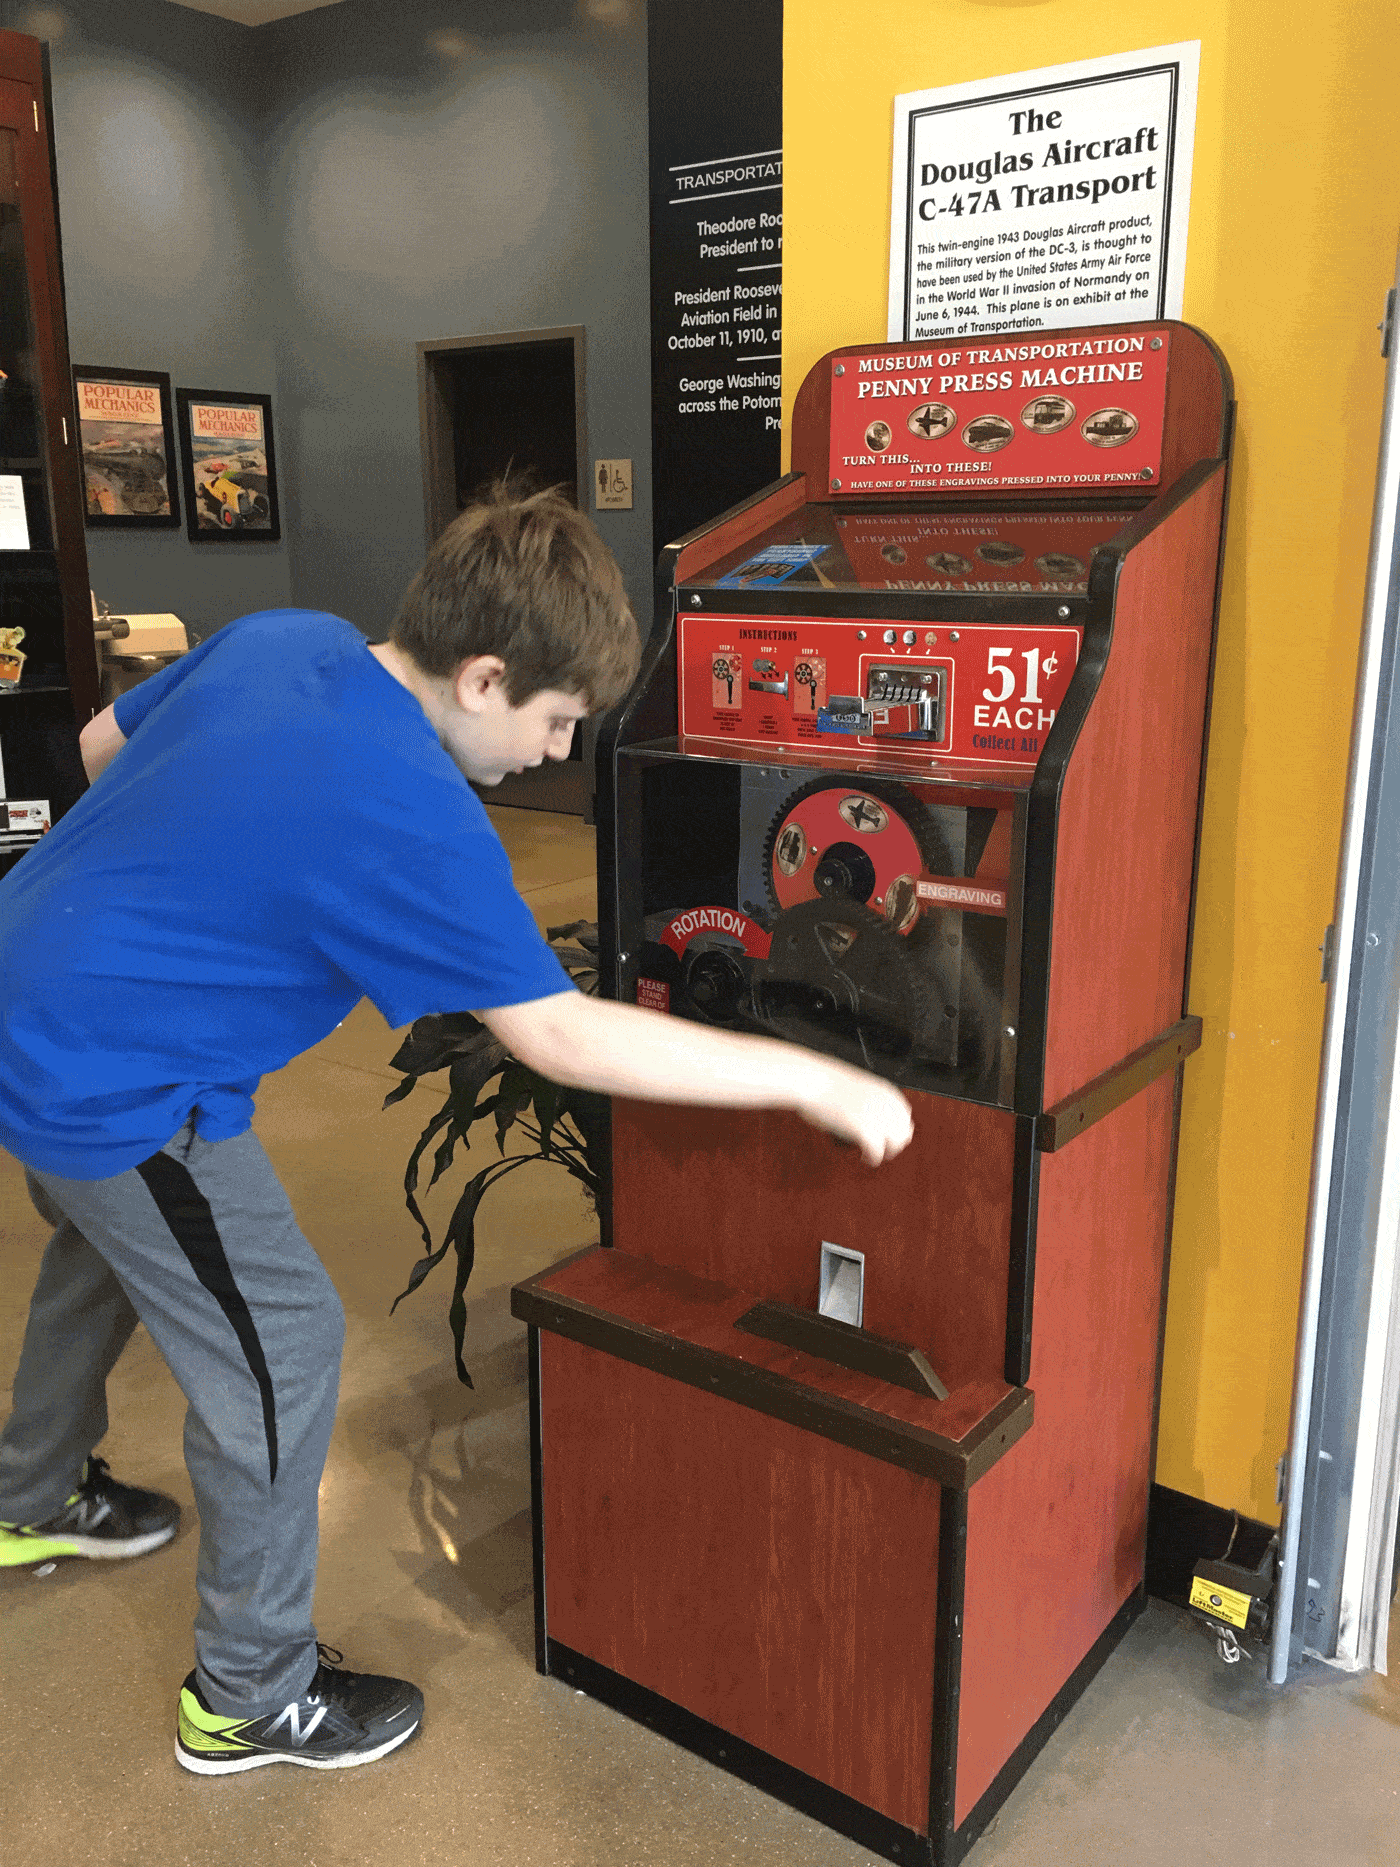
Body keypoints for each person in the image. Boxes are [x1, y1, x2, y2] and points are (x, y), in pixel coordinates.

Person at [0, 484, 912, 1777]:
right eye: (556, 720)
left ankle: (29, 1491)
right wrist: (806, 1083)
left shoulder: (290, 637)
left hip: (25, 979)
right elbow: (559, 1035)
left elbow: (101, 746)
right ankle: (247, 1692)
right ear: (485, 678)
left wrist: (189, 883)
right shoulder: (412, 806)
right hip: (113, 1073)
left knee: (111, 1236)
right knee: (285, 1343)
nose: (556, 751)